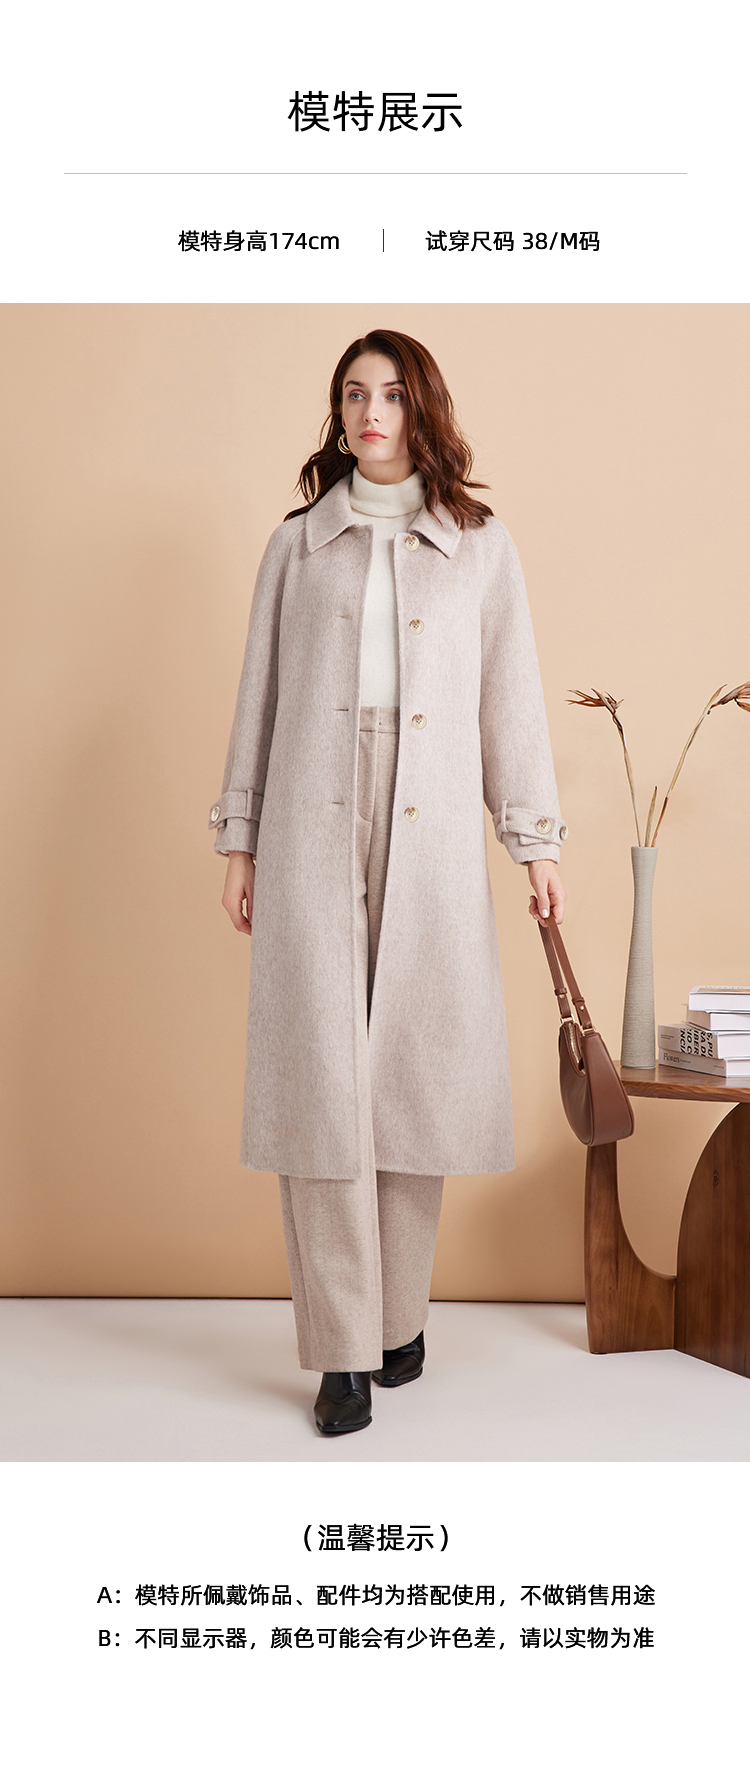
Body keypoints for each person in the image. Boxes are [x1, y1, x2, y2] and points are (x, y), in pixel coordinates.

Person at [209, 329, 567, 1437]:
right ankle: (340, 1351)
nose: (373, 412)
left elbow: (510, 698)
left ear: (424, 410)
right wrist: (240, 838)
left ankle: (399, 1317)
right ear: (338, 413)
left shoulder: (480, 547)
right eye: (355, 394)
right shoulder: (297, 547)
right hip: (311, 818)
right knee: (322, 1078)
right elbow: (259, 696)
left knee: (414, 1074)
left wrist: (536, 841)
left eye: (394, 394)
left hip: (435, 825)